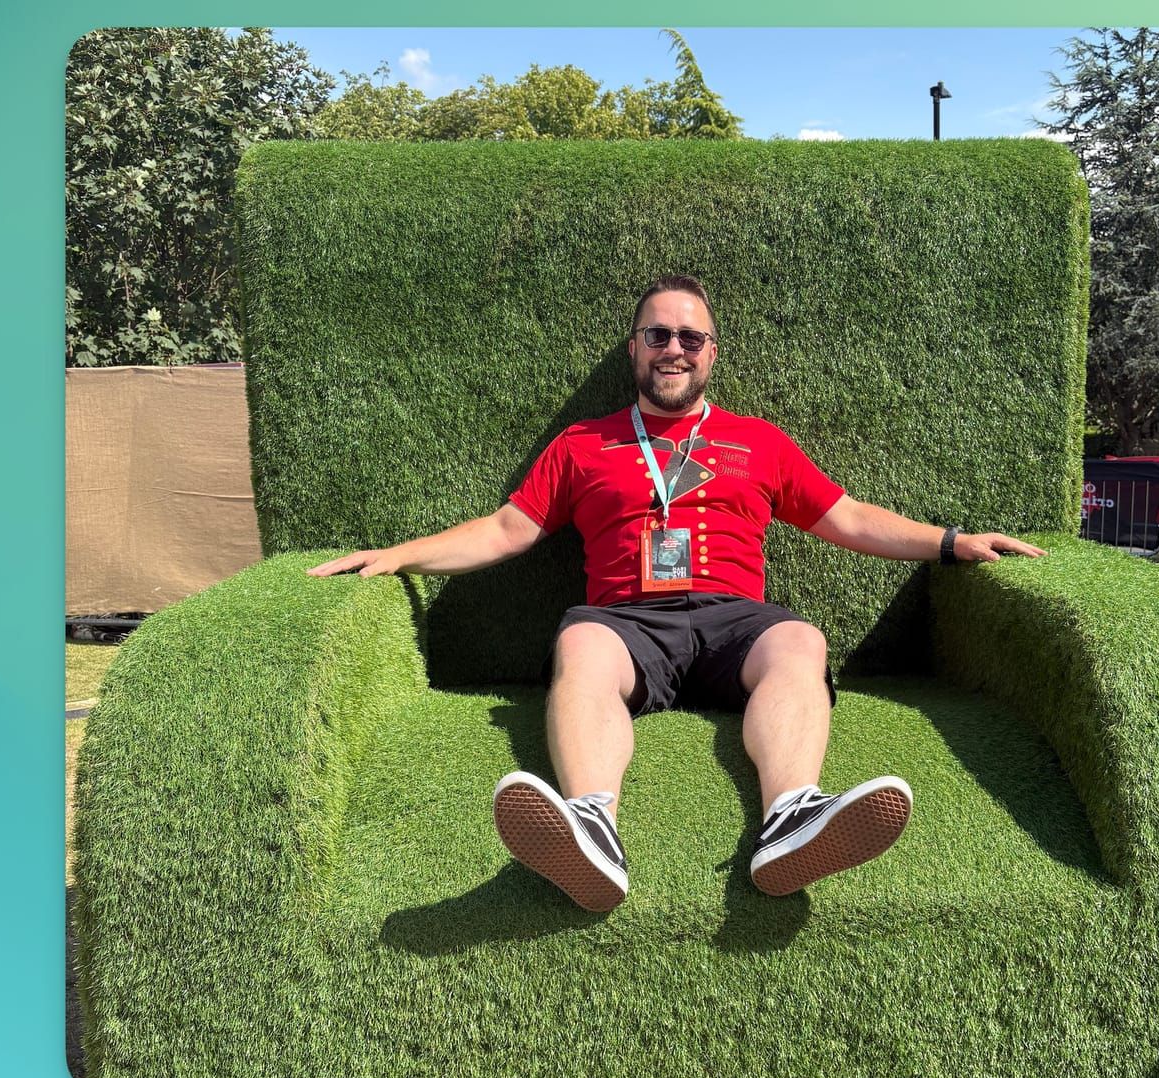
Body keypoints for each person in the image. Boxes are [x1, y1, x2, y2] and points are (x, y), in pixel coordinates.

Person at [309, 275, 1045, 912]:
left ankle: (791, 817)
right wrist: (400, 555)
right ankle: (593, 826)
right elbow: (507, 528)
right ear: (633, 347)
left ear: (712, 353)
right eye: (658, 333)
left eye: (692, 337)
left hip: (736, 623)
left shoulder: (759, 441)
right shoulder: (582, 444)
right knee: (580, 643)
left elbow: (848, 517)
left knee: (801, 640)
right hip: (624, 623)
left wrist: (952, 542)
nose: (675, 348)